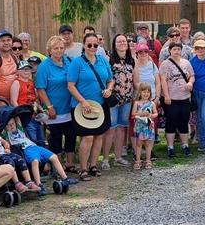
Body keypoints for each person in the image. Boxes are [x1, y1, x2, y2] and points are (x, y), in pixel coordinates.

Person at [67, 33, 114, 181]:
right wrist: (82, 101)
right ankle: (83, 168)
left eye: (95, 45)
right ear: (84, 45)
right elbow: (70, 85)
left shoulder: (103, 60)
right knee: (87, 137)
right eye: (89, 45)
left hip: (100, 105)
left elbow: (110, 79)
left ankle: (93, 165)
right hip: (82, 106)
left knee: (99, 136)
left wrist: (109, 89)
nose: (93, 48)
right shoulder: (77, 62)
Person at [1, 117, 75, 195]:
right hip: (26, 149)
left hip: (35, 146)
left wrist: (14, 114)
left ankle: (65, 178)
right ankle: (39, 184)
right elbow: (3, 135)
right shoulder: (7, 134)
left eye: (13, 124)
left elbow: (18, 118)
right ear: (6, 127)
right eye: (9, 125)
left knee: (54, 157)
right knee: (35, 161)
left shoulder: (20, 129)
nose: (11, 126)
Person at [36, 36, 77, 173]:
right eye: (56, 48)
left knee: (71, 136)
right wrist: (49, 107)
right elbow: (40, 89)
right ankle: (58, 167)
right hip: (54, 110)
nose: (59, 51)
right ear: (49, 50)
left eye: (61, 48)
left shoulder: (69, 62)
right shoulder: (44, 66)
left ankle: (70, 164)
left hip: (70, 107)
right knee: (56, 138)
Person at [102, 34, 134, 169]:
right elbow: (107, 78)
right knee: (111, 128)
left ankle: (118, 157)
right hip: (113, 99)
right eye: (119, 41)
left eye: (124, 41)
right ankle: (105, 159)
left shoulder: (131, 60)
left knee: (122, 127)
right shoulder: (109, 59)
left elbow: (135, 79)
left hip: (127, 99)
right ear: (114, 44)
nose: (122, 43)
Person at [159, 41, 195, 158]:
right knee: (171, 121)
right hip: (171, 98)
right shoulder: (165, 64)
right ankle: (170, 147)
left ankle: (185, 145)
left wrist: (190, 82)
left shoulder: (186, 63)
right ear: (170, 50)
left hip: (184, 97)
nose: (176, 51)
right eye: (174, 49)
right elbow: (163, 80)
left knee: (184, 121)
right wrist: (166, 95)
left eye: (178, 49)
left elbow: (192, 76)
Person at [131, 82, 158, 170]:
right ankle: (138, 160)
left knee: (148, 144)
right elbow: (133, 114)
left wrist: (150, 115)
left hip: (149, 126)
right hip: (140, 126)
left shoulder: (152, 103)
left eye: (148, 92)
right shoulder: (137, 103)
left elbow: (156, 113)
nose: (146, 94)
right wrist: (141, 113)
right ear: (140, 92)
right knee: (138, 144)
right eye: (144, 92)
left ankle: (148, 160)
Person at [0, 30, 18, 100]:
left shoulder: (14, 57)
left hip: (15, 100)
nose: (6, 43)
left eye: (8, 40)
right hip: (1, 102)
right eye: (3, 41)